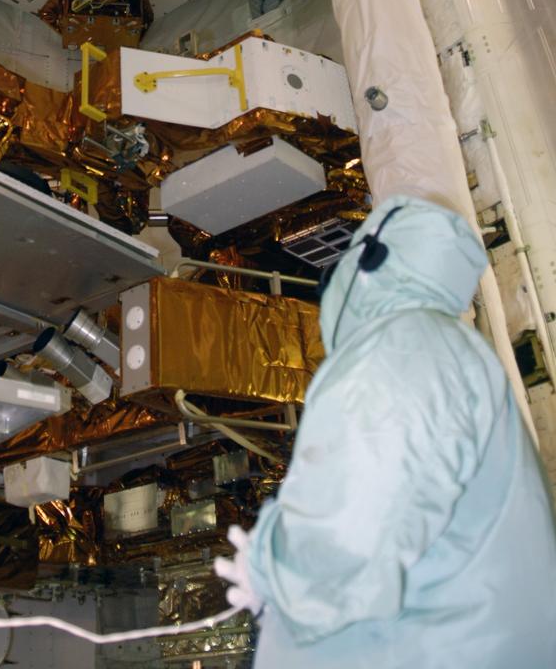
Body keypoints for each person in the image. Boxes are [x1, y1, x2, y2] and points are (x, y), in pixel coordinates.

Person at [215, 195, 556, 667]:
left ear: (369, 259)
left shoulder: (403, 346)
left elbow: (346, 532)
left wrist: (277, 571)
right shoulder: (440, 348)